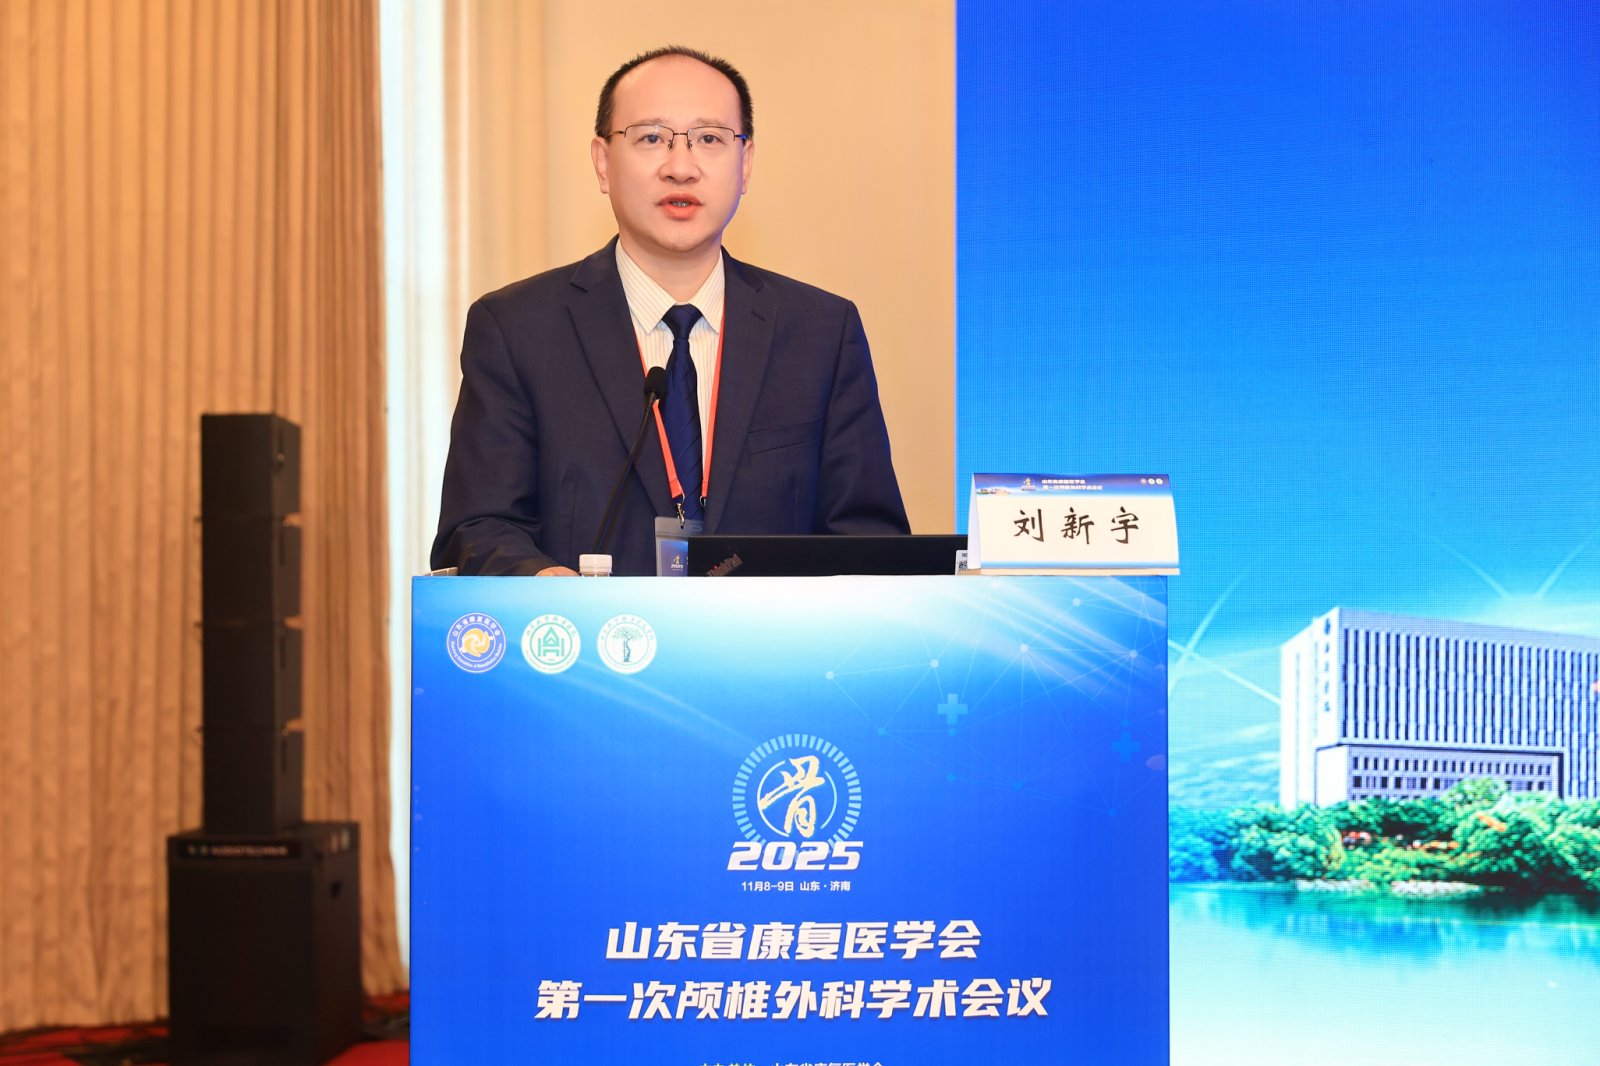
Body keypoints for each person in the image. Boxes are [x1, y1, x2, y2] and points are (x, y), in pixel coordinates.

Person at [431, 45, 908, 576]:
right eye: (652, 138)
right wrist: (545, 585)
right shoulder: (517, 330)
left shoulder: (821, 333)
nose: (681, 167)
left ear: (746, 163)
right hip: (586, 630)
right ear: (603, 162)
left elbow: (871, 542)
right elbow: (477, 529)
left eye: (710, 139)